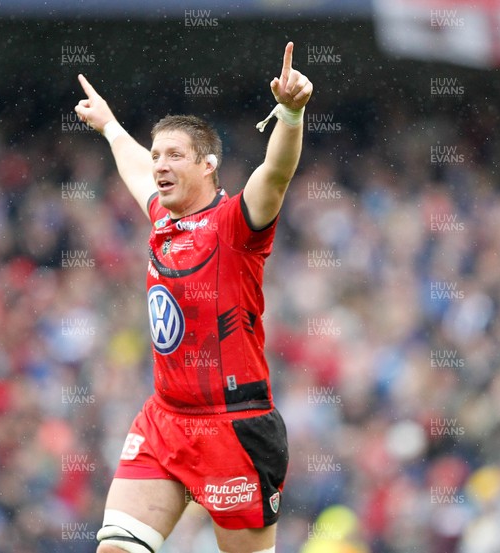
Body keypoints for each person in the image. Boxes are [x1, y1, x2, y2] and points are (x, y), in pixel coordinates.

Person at [74, 41, 312, 553]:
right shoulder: (162, 216)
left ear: (208, 166)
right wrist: (112, 127)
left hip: (234, 427)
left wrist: (290, 113)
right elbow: (137, 168)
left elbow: (276, 173)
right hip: (165, 420)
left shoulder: (235, 225)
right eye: (158, 154)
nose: (160, 164)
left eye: (174, 155)